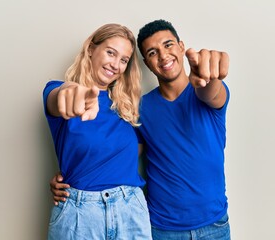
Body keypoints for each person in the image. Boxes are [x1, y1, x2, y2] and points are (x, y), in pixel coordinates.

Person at [51, 19, 231, 240]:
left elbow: (211, 92)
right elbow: (114, 153)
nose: (163, 56)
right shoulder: (139, 108)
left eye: (168, 45)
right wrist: (71, 179)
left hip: (214, 224)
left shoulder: (201, 95)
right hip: (162, 227)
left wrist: (209, 77)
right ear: (146, 62)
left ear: (181, 47)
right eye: (153, 52)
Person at [43, 23, 152, 240]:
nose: (116, 64)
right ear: (91, 49)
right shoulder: (57, 90)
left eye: (123, 60)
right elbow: (58, 98)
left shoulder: (128, 108)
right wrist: (70, 91)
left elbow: (132, 152)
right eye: (110, 52)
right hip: (80, 215)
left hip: (130, 210)